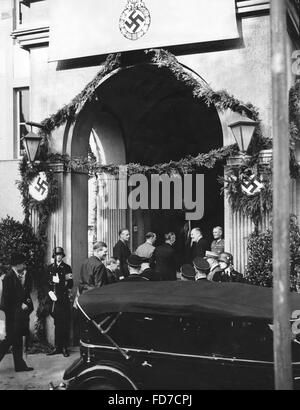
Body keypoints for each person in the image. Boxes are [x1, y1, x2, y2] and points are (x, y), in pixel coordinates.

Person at [0, 253, 34, 372]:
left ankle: (20, 366)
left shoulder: (16, 275)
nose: (24, 266)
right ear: (17, 264)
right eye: (23, 263)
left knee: (16, 340)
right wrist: (20, 304)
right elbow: (7, 297)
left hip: (17, 315)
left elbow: (21, 293)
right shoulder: (9, 277)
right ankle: (20, 365)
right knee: (8, 341)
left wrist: (24, 303)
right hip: (12, 315)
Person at [46, 247, 73, 357]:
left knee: (64, 323)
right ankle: (57, 347)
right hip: (54, 300)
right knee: (57, 323)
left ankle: (64, 347)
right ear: (54, 256)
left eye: (60, 254)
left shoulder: (67, 268)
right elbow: (45, 283)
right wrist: (49, 292)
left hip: (63, 299)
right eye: (57, 254)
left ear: (63, 256)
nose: (58, 256)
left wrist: (60, 281)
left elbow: (70, 284)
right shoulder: (50, 268)